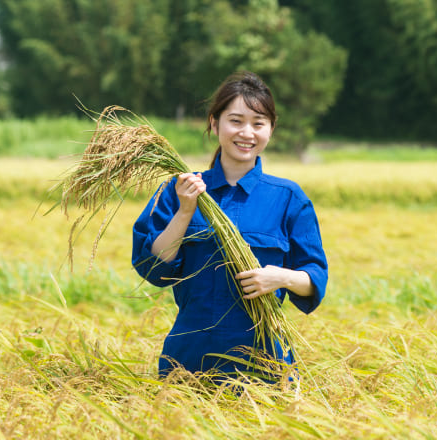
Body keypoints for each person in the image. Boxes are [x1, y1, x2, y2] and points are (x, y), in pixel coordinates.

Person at [132, 71, 328, 379]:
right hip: (188, 363)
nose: (246, 133)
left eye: (258, 123)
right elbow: (154, 267)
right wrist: (185, 211)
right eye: (235, 121)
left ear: (271, 129)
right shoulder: (180, 189)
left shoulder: (289, 198)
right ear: (214, 123)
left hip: (264, 366)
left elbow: (315, 278)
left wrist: (281, 277)